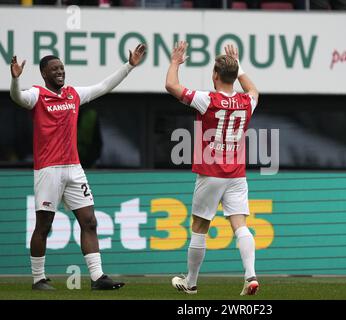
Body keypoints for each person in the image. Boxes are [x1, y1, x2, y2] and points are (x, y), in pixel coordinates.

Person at [10, 44, 146, 290]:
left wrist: (129, 66)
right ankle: (38, 279)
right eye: (54, 69)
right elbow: (17, 98)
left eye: (62, 67)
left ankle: (97, 278)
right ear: (44, 74)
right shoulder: (37, 95)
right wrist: (15, 79)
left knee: (90, 221)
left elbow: (104, 86)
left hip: (74, 169)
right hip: (48, 170)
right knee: (44, 226)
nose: (60, 72)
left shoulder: (74, 94)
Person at [165, 42, 260, 295]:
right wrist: (238, 66)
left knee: (199, 227)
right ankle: (250, 275)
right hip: (237, 175)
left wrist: (175, 61)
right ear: (234, 74)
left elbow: (171, 87)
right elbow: (253, 89)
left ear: (215, 75)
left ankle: (191, 282)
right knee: (240, 225)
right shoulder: (247, 101)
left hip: (211, 173)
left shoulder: (208, 100)